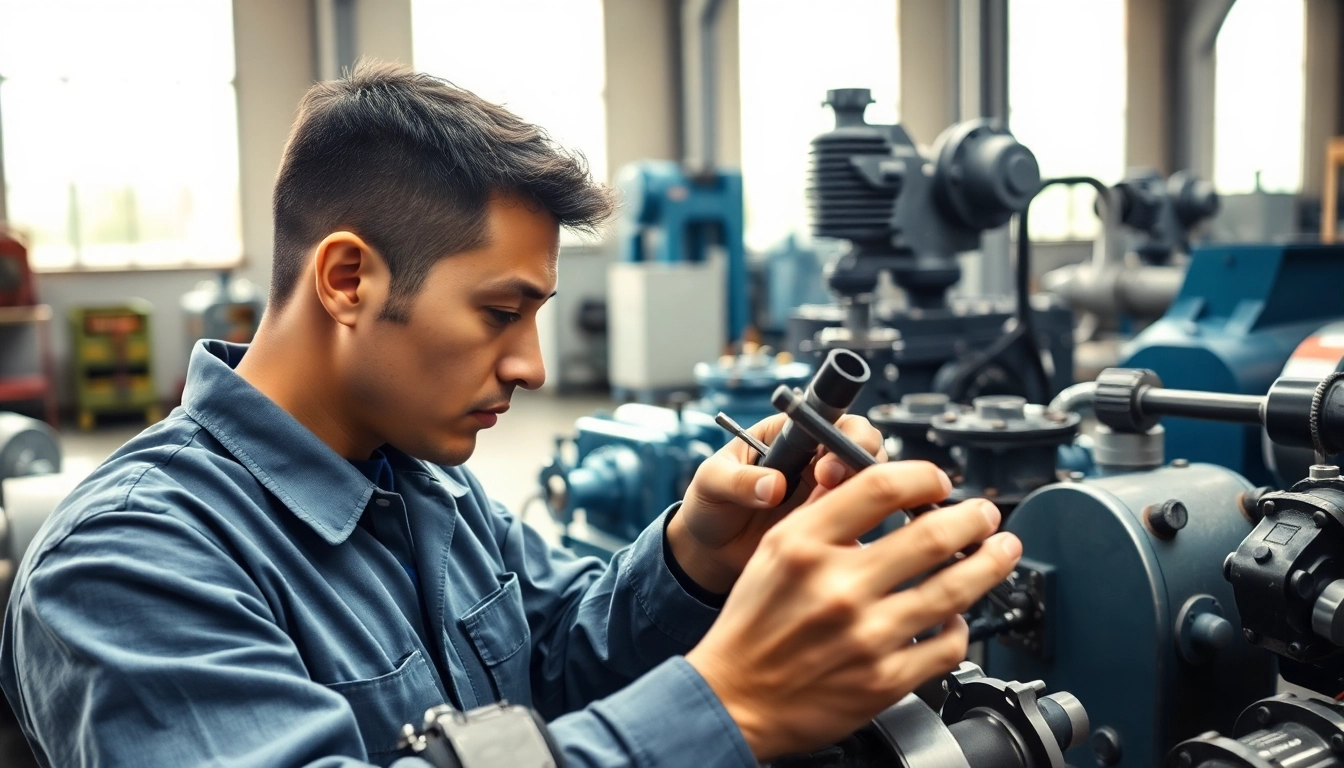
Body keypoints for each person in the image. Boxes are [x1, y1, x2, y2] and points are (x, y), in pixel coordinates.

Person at [0, 61, 1021, 768]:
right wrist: (728, 704)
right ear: (348, 279)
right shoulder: (127, 568)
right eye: (500, 313)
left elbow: (551, 664)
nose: (532, 366)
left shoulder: (423, 486)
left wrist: (694, 559)